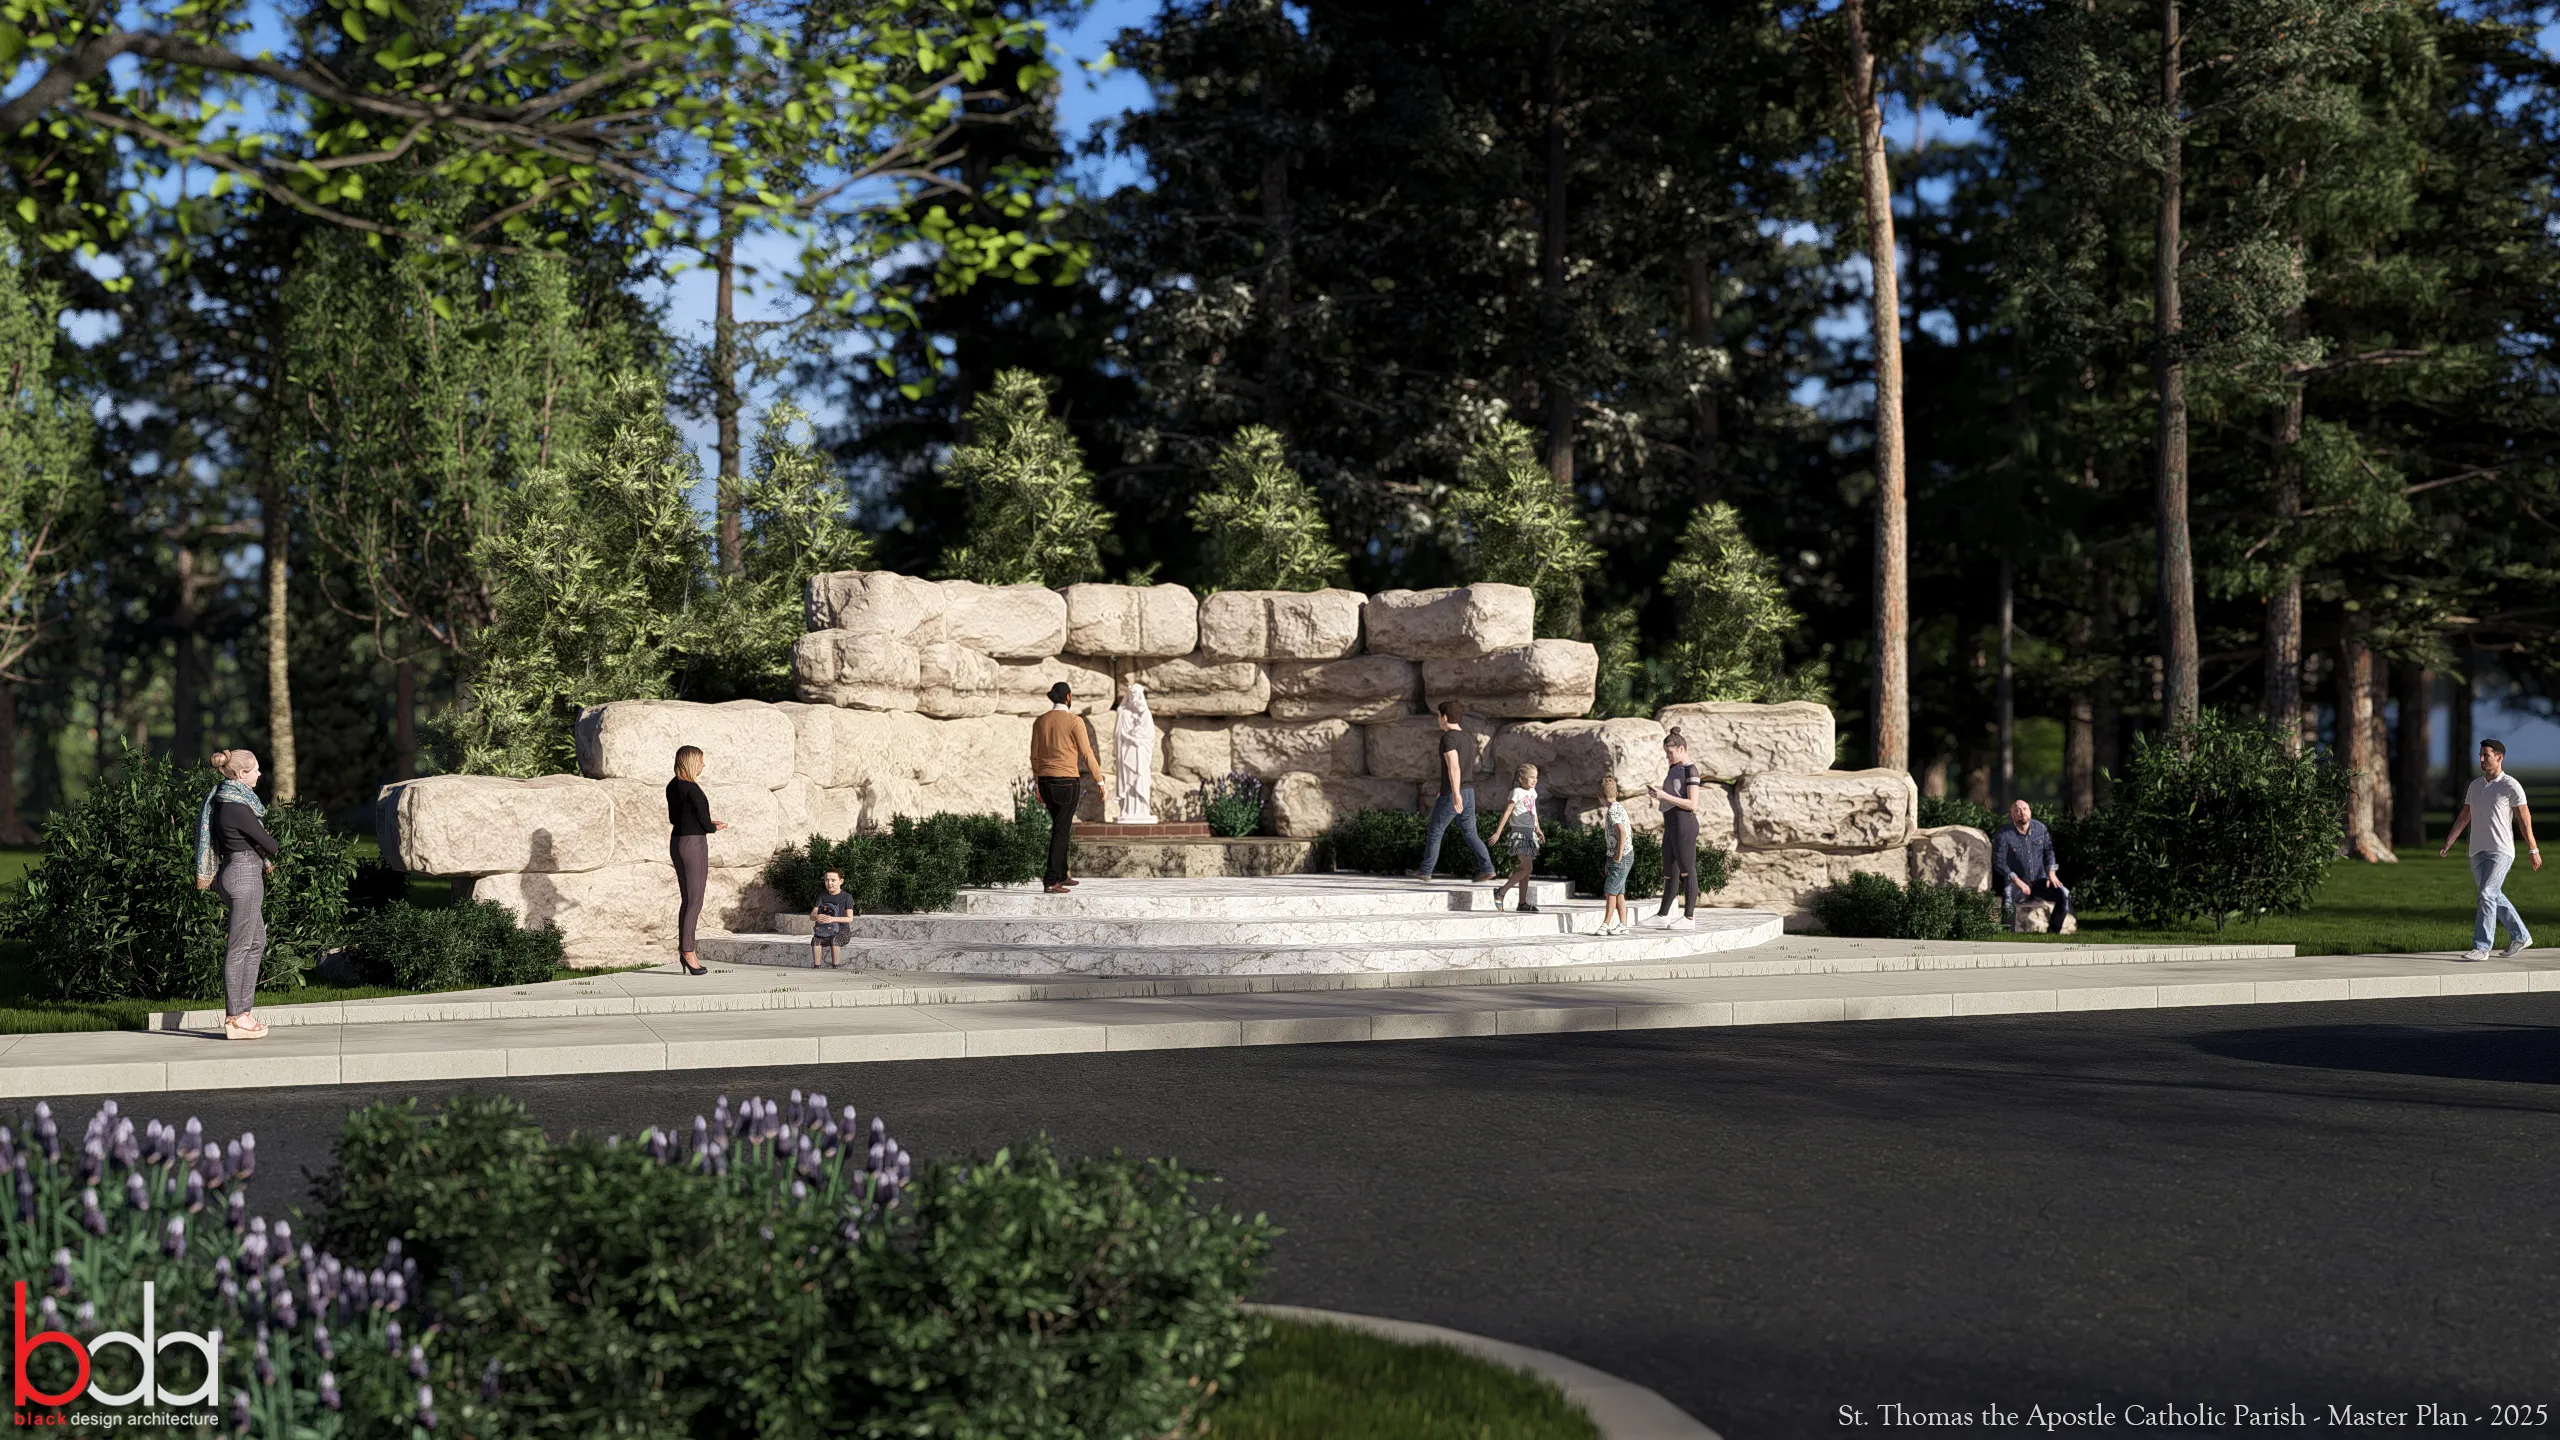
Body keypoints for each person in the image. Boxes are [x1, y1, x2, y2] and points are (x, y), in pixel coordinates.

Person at [193, 749, 277, 1041]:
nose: (259, 774)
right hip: (244, 875)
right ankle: (236, 1017)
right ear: (240, 775)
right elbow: (271, 844)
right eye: (255, 770)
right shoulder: (238, 807)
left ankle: (243, 1012)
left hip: (233, 872)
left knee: (256, 941)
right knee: (240, 946)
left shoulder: (222, 802)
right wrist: (265, 841)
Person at [2440, 737, 2538, 961]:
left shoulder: (2510, 785)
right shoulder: (2475, 786)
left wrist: (2533, 849)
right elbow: (2465, 816)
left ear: (2500, 757)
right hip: (2476, 851)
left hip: (2501, 850)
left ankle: (2482, 948)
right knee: (2492, 895)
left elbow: (2524, 819)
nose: (2482, 759)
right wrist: (2449, 841)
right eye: (2480, 755)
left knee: (2486, 894)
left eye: (2487, 755)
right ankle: (2520, 935)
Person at [1411, 700, 1496, 883]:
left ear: (1445, 717)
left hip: (1455, 793)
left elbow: (1454, 767)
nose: (1438, 720)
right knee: (1471, 833)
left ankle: (1425, 871)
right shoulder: (1467, 737)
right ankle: (1487, 868)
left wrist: (1454, 793)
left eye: (1438, 716)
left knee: (1435, 831)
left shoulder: (1448, 738)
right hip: (1468, 792)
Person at [1031, 681, 1102, 894]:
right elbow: (1087, 753)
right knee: (1061, 830)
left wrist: (1036, 785)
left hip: (1045, 782)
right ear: (1068, 697)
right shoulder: (1074, 721)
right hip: (1066, 782)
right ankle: (1051, 880)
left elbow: (1034, 756)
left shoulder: (1040, 721)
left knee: (1061, 826)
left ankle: (1061, 874)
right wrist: (1100, 780)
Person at [668, 745, 728, 975]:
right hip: (693, 844)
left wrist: (705, 823)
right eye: (701, 761)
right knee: (695, 901)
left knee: (688, 900)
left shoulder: (673, 786)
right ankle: (688, 951)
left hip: (677, 842)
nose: (703, 765)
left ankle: (686, 949)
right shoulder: (693, 789)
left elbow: (678, 817)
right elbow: (701, 820)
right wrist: (713, 827)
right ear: (692, 762)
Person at [1647, 731, 1703, 930]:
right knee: (1670, 871)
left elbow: (1692, 803)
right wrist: (1659, 795)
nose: (1667, 757)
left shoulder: (1691, 771)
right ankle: (1663, 915)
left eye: (1670, 752)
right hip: (1671, 823)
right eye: (1666, 753)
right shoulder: (1674, 768)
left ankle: (1688, 918)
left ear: (1681, 748)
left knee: (1687, 871)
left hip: (1684, 823)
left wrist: (1664, 795)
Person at [1991, 799, 2071, 933]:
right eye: (2017, 810)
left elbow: (2049, 851)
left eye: (2025, 809)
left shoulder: (2041, 828)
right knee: (2007, 896)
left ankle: (2053, 932)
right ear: (2012, 816)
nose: (2022, 812)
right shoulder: (2003, 835)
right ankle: (2007, 935)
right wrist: (2018, 881)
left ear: (2030, 811)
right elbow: (1999, 862)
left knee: (2065, 893)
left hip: (2041, 882)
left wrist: (2051, 872)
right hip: (2016, 883)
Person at [1489, 763, 1545, 914]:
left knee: (1525, 871)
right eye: (1531, 777)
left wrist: (1538, 829)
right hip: (1519, 834)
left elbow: (1533, 812)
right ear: (1521, 779)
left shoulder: (1533, 792)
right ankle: (1501, 891)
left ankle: (1522, 903)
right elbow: (1507, 813)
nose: (1535, 780)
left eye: (1536, 778)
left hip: (1529, 834)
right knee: (1527, 868)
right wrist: (1498, 832)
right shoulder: (1516, 792)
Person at [1598, 776, 1635, 935]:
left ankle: (1605, 924)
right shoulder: (1619, 807)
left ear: (1600, 796)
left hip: (1621, 857)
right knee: (1619, 891)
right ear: (1617, 793)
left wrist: (1618, 856)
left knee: (1610, 891)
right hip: (1624, 855)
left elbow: (1622, 831)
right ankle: (1623, 925)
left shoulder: (1612, 811)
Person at [809, 869, 852, 969]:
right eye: (827, 880)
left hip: (842, 931)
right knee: (815, 940)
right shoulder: (822, 895)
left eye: (833, 880)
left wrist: (833, 919)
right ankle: (817, 967)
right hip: (825, 929)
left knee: (834, 940)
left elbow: (850, 918)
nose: (829, 883)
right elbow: (812, 916)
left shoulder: (847, 897)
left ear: (841, 881)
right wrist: (816, 917)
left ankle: (835, 967)